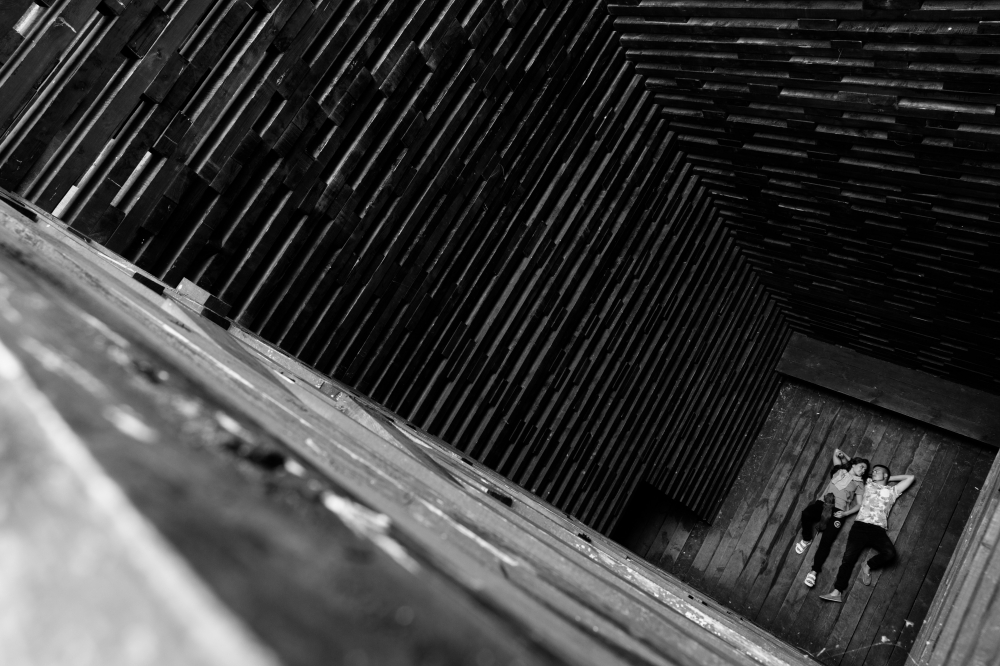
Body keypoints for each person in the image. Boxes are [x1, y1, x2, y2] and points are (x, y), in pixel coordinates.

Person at [819, 465, 915, 602]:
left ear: (885, 475)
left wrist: (889, 478)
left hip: (877, 530)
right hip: (859, 527)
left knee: (890, 554)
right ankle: (836, 592)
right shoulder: (868, 483)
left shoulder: (893, 491)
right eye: (873, 470)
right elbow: (853, 468)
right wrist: (879, 477)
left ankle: (868, 565)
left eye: (877, 471)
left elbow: (910, 477)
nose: (874, 472)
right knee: (848, 559)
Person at [794, 448, 869, 587]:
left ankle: (814, 572)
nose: (863, 470)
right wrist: (846, 457)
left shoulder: (859, 484)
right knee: (806, 514)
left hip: (839, 511)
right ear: (853, 464)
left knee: (826, 541)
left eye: (865, 469)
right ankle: (806, 539)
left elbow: (860, 504)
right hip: (823, 503)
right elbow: (836, 452)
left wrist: (845, 514)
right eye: (861, 466)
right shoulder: (839, 471)